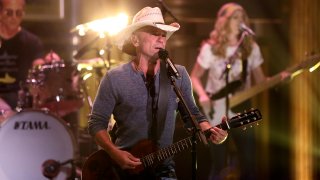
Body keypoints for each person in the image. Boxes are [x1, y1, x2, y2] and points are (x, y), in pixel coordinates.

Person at [87, 6, 228, 179]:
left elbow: (194, 116)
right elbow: (96, 123)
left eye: (164, 35)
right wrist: (114, 152)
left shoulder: (179, 75)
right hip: (122, 171)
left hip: (164, 171)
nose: (161, 39)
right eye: (154, 33)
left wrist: (213, 132)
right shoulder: (114, 78)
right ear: (135, 40)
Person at [191, 2, 288, 180]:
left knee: (249, 162)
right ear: (224, 21)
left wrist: (280, 78)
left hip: (243, 108)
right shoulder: (210, 49)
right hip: (215, 109)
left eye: (242, 17)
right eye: (236, 17)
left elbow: (261, 81)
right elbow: (194, 77)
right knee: (219, 165)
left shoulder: (251, 49)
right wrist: (203, 95)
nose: (240, 21)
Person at [0, 0, 45, 112]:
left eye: (18, 13)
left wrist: (45, 66)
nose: (14, 17)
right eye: (9, 13)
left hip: (21, 100)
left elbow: (38, 70)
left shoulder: (32, 42)